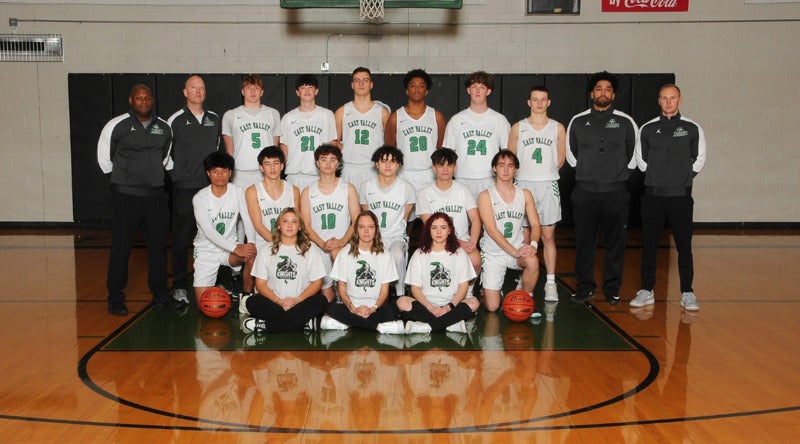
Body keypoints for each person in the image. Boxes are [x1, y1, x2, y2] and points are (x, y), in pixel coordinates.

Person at [97, 84, 182, 315]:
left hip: (155, 197)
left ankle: (160, 294)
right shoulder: (116, 126)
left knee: (158, 247)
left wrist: (149, 175)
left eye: (147, 98)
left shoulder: (164, 127)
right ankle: (115, 297)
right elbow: (105, 159)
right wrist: (125, 181)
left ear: (152, 101)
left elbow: (165, 158)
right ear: (131, 100)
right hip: (126, 197)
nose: (144, 102)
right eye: (139, 98)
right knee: (121, 247)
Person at [630, 84, 706, 311]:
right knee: (649, 245)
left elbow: (699, 158)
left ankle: (687, 292)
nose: (668, 102)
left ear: (680, 100)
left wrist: (681, 178)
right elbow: (640, 159)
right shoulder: (648, 128)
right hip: (653, 197)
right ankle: (646, 290)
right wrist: (657, 177)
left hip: (680, 197)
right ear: (659, 101)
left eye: (673, 98)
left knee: (684, 245)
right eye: (664, 98)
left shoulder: (692, 128)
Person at [566, 71, 638, 305]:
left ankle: (612, 289)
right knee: (584, 243)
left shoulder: (626, 122)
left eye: (608, 89)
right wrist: (588, 172)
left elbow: (634, 155)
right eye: (599, 88)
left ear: (613, 95)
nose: (603, 92)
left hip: (616, 193)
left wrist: (616, 176)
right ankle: (585, 287)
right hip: (585, 192)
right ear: (591, 93)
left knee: (615, 243)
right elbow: (571, 154)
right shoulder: (578, 121)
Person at [166, 75, 223, 304]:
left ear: (205, 92)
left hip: (211, 188)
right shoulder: (175, 120)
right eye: (193, 87)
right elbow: (166, 155)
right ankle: (180, 285)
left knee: (214, 235)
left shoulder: (214, 119)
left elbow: (217, 149)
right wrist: (180, 175)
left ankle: (214, 281)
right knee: (182, 238)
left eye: (201, 88)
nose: (198, 91)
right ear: (185, 92)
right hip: (185, 188)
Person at [507, 85, 566, 303]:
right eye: (535, 99)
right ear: (529, 102)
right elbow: (510, 159)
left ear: (548, 102)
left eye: (543, 99)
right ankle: (525, 278)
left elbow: (560, 159)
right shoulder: (518, 127)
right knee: (524, 237)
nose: (539, 103)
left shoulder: (557, 127)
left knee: (547, 236)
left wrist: (543, 174)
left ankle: (550, 282)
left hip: (548, 185)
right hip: (523, 184)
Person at [240, 207, 328, 334]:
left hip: (300, 302)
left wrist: (297, 300)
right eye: (285, 221)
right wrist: (279, 301)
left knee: (321, 301)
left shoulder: (310, 248)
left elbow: (317, 283)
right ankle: (303, 323)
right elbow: (260, 284)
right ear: (278, 225)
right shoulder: (266, 249)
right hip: (274, 303)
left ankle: (265, 326)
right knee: (252, 302)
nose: (289, 225)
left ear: (299, 227)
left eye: (294, 222)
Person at [477, 150, 542, 312]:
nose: (506, 169)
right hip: (493, 253)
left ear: (515, 169)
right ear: (494, 168)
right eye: (501, 165)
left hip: (517, 249)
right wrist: (515, 251)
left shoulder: (525, 194)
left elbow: (535, 225)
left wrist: (533, 245)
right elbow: (491, 230)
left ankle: (525, 298)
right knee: (492, 307)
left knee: (532, 261)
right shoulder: (485, 196)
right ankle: (489, 290)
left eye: (510, 166)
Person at [322, 210, 404, 334]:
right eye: (362, 227)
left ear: (376, 230)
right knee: (330, 307)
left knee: (393, 310)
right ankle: (377, 327)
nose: (366, 231)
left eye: (370, 227)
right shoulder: (345, 253)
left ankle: (348, 323)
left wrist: (372, 309)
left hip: (375, 308)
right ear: (356, 230)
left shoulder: (386, 255)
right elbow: (342, 288)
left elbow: (384, 291)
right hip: (351, 307)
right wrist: (352, 309)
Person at [397, 212, 480, 333]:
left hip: (451, 304)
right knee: (402, 302)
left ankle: (427, 326)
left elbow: (463, 286)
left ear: (450, 230)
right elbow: (415, 288)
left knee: (474, 302)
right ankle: (450, 324)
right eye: (434, 228)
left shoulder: (460, 253)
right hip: (426, 305)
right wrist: (431, 307)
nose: (439, 232)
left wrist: (448, 307)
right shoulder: (419, 254)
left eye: (443, 227)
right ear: (429, 231)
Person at [191, 151, 257, 301]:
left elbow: (247, 219)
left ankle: (246, 297)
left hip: (228, 251)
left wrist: (251, 242)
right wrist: (235, 248)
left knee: (251, 255)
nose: (220, 175)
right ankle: (218, 288)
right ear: (208, 173)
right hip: (206, 251)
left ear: (230, 173)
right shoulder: (200, 198)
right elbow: (208, 231)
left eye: (224, 171)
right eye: (215, 171)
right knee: (204, 304)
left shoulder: (238, 192)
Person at [299, 144, 360, 302]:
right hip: (318, 247)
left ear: (338, 163)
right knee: (326, 295)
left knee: (346, 289)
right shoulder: (307, 192)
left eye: (332, 160)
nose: (328, 163)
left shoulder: (348, 188)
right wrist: (322, 244)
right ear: (317, 163)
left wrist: (342, 242)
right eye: (324, 159)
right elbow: (306, 226)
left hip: (344, 245)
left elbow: (357, 221)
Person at [442, 70, 511, 198]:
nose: (478, 91)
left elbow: (508, 153)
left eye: (482, 87)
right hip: (462, 178)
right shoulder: (457, 120)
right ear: (469, 90)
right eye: (474, 87)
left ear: (488, 91)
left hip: (490, 178)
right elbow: (448, 153)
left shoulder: (499, 120)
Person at [359, 145, 416, 298]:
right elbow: (366, 216)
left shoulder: (407, 188)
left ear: (399, 165)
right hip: (374, 236)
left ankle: (400, 293)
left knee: (397, 254)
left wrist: (399, 234)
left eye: (392, 161)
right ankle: (374, 293)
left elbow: (405, 218)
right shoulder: (366, 187)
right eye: (384, 161)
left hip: (396, 236)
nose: (388, 165)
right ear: (377, 164)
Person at [415, 148, 482, 277]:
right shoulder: (424, 194)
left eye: (449, 165)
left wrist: (472, 243)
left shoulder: (463, 190)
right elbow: (430, 226)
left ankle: (467, 288)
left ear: (455, 168)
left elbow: (475, 219)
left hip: (462, 240)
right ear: (434, 168)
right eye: (441, 165)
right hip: (436, 242)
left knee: (475, 261)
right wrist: (459, 243)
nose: (445, 169)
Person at [384, 69, 447, 199]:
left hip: (430, 174)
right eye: (413, 86)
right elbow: (390, 149)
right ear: (407, 91)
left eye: (421, 86)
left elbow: (441, 149)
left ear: (426, 91)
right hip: (404, 173)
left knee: (430, 210)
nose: (417, 89)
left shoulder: (437, 117)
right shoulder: (395, 117)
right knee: (405, 211)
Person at [222, 74, 282, 191]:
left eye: (256, 88)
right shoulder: (231, 115)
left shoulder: (273, 114)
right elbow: (229, 151)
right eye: (248, 88)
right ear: (242, 91)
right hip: (240, 173)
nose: (253, 91)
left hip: (265, 172)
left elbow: (274, 149)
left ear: (262, 92)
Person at [335, 67, 390, 190]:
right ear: (352, 85)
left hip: (373, 168)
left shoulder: (382, 113)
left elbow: (389, 143)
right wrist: (348, 149)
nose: (361, 84)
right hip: (349, 168)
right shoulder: (342, 111)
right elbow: (335, 142)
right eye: (357, 81)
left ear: (371, 84)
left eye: (365, 80)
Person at [280, 74, 338, 191]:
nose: (307, 91)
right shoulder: (288, 118)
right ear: (297, 92)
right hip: (294, 176)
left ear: (316, 91)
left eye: (310, 87)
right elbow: (284, 149)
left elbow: (332, 145)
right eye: (303, 87)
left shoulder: (327, 115)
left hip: (319, 175)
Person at [245, 146, 301, 256]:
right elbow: (258, 225)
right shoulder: (252, 191)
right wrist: (279, 244)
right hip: (263, 245)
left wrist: (287, 245)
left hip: (289, 243)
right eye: (267, 164)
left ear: (282, 166)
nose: (272, 168)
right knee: (250, 259)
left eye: (276, 163)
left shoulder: (294, 190)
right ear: (261, 167)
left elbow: (296, 222)